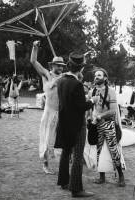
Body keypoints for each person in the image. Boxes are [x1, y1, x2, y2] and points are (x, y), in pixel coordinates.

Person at [55, 52, 98, 198]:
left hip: (64, 123)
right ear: (81, 68)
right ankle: (76, 189)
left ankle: (63, 182)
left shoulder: (60, 81)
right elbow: (81, 106)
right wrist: (92, 101)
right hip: (77, 125)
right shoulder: (77, 84)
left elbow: (69, 103)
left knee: (66, 153)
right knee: (78, 157)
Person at [30, 40, 65, 174]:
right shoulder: (47, 74)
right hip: (49, 112)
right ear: (53, 65)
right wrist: (35, 47)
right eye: (58, 65)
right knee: (46, 138)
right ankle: (45, 164)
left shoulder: (64, 77)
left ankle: (66, 160)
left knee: (61, 138)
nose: (61, 68)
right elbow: (33, 62)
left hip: (61, 112)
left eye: (62, 66)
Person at [88, 68, 126, 187]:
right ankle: (102, 177)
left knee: (113, 150)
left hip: (108, 124)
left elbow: (113, 111)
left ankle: (121, 177)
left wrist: (100, 116)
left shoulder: (111, 91)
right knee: (98, 150)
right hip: (96, 125)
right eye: (95, 75)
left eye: (99, 75)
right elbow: (90, 108)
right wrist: (89, 118)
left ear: (105, 78)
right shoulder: (92, 91)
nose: (96, 77)